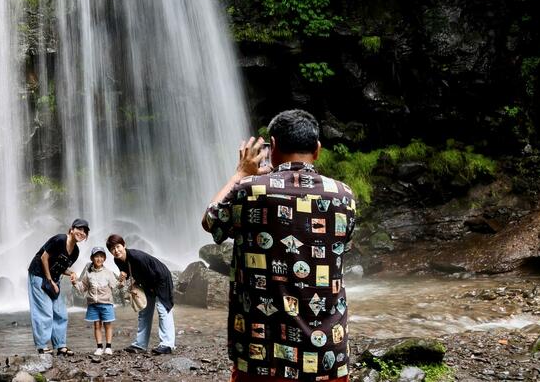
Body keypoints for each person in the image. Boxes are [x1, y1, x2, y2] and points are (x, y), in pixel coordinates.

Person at [202, 109, 356, 382]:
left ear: (271, 147)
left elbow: (211, 221)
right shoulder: (343, 196)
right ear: (317, 150)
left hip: (261, 356)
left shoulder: (249, 190)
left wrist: (240, 173)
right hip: (326, 356)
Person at [105, 233, 175, 355]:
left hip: (160, 278)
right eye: (112, 249)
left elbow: (152, 274)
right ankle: (140, 344)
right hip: (147, 282)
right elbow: (128, 272)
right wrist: (123, 277)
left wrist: (150, 290)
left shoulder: (137, 257)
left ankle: (167, 344)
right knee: (144, 311)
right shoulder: (117, 260)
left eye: (118, 247)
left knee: (163, 308)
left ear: (124, 245)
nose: (116, 251)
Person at [28, 218, 89, 355]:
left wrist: (71, 273)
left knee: (61, 313)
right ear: (72, 229)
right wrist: (49, 281)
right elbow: (44, 258)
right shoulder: (59, 239)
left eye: (85, 231)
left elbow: (61, 267)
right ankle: (42, 346)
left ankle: (61, 346)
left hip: (54, 279)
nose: (82, 232)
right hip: (39, 275)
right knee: (45, 311)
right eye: (79, 229)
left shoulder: (75, 252)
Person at [73, 245, 117, 355]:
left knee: (108, 324)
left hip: (106, 304)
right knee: (97, 325)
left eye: (102, 256)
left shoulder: (108, 272)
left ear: (104, 259)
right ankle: (99, 347)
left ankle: (108, 346)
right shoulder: (89, 273)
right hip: (93, 304)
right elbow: (83, 287)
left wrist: (121, 280)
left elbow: (115, 286)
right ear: (92, 258)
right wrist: (74, 283)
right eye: (96, 256)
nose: (99, 259)